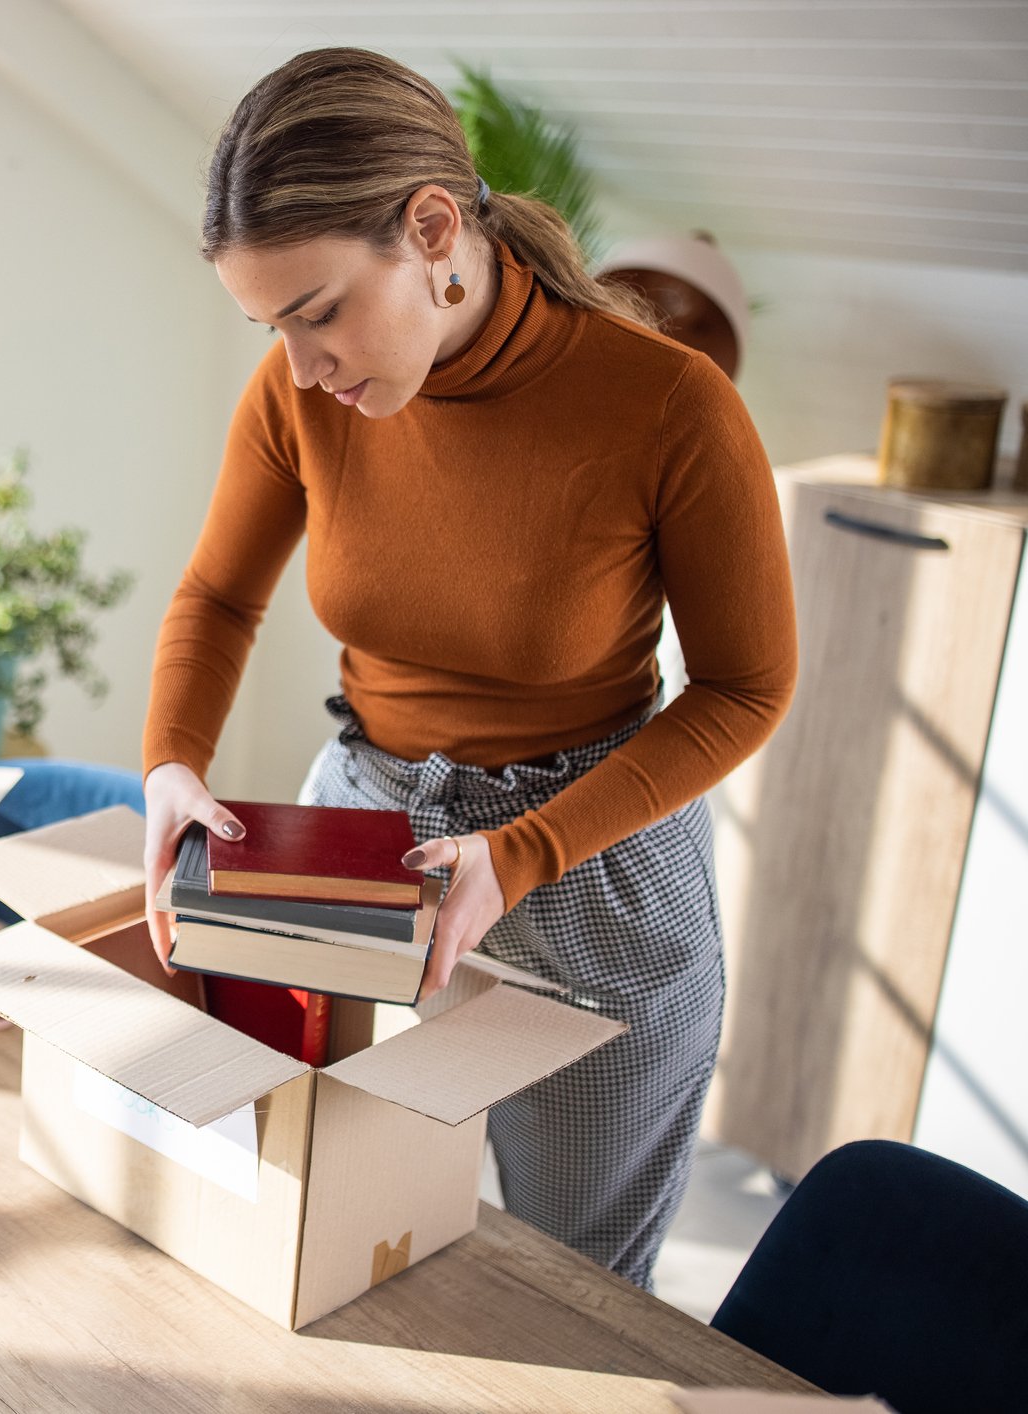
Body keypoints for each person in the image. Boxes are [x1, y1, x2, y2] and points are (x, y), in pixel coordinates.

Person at [139, 47, 798, 1291]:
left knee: (573, 1287)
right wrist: (171, 763)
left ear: (431, 228)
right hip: (362, 840)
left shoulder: (669, 406)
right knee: (320, 1230)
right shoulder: (299, 400)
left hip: (589, 863)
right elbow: (218, 593)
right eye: (268, 324)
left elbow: (743, 687)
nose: (298, 367)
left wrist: (522, 852)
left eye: (320, 310)